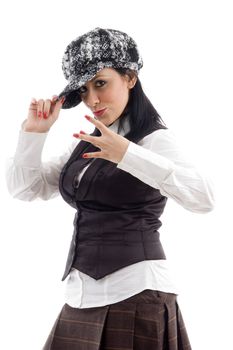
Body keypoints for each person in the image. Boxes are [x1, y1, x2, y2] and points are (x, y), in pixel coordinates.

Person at [6, 27, 214, 350]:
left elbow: (204, 197)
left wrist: (128, 154)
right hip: (78, 297)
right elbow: (25, 189)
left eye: (100, 83)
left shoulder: (154, 139)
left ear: (130, 77)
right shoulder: (87, 144)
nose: (92, 100)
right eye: (84, 91)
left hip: (136, 296)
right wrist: (34, 134)